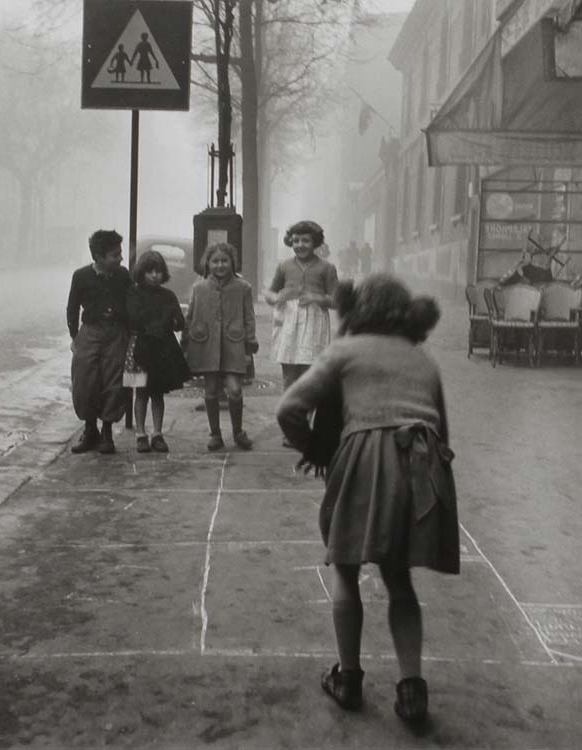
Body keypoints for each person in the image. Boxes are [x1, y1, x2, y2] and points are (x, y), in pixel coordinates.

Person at [276, 273, 459, 725]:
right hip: (423, 463)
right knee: (399, 579)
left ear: (356, 309)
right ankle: (412, 689)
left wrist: (316, 450)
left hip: (365, 457)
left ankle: (349, 678)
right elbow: (443, 433)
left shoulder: (345, 350)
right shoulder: (424, 361)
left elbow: (288, 409)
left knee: (346, 566)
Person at [264, 220, 338, 446]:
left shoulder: (327, 268)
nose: (300, 245)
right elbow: (269, 293)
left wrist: (317, 298)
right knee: (289, 378)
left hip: (315, 323)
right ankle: (291, 428)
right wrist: (277, 298)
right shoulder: (284, 266)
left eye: (305, 240)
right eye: (296, 240)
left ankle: (305, 426)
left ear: (315, 242)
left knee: (310, 377)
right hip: (289, 323)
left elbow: (336, 300)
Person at [183, 243, 258, 451]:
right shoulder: (199, 288)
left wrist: (249, 345)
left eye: (224, 260)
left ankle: (238, 432)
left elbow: (250, 319)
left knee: (235, 390)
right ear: (207, 263)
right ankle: (215, 434)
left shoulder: (243, 288)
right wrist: (186, 340)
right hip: (206, 345)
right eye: (215, 261)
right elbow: (190, 315)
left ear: (232, 262)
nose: (220, 265)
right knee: (210, 391)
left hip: (234, 345)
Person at [66, 229, 131, 454]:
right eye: (115, 255)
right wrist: (74, 336)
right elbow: (72, 307)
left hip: (116, 334)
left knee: (113, 381)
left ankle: (107, 432)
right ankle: (90, 429)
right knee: (85, 381)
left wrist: (123, 321)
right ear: (99, 257)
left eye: (119, 253)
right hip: (90, 333)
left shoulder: (123, 276)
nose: (120, 258)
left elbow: (131, 303)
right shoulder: (81, 276)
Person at [124, 250, 190, 453]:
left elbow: (179, 321)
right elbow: (134, 319)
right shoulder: (133, 294)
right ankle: (141, 434)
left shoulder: (168, 295)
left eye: (158, 271)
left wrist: (176, 320)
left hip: (162, 350)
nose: (154, 275)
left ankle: (157, 433)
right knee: (140, 392)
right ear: (141, 273)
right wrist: (164, 322)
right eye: (150, 271)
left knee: (157, 393)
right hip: (140, 350)